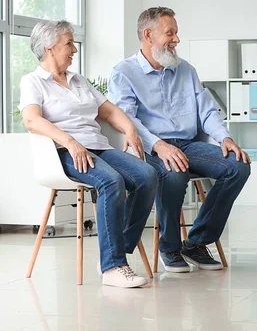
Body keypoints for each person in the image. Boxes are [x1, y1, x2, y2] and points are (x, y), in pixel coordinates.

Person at [108, 7, 251, 273]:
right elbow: (127, 120)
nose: (176, 39)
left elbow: (207, 111)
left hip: (186, 144)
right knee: (174, 172)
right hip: (150, 147)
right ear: (148, 35)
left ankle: (196, 242)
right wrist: (159, 145)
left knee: (238, 166)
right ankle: (169, 247)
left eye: (176, 32)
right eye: (170, 32)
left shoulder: (186, 70)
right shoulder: (123, 73)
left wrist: (225, 137)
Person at [19, 20, 157, 288]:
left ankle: (114, 252)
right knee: (111, 181)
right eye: (69, 43)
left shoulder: (78, 80)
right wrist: (70, 142)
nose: (74, 49)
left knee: (147, 175)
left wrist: (130, 129)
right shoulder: (33, 82)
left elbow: (108, 110)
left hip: (98, 147)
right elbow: (32, 120)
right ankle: (113, 267)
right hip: (63, 152)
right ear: (50, 48)